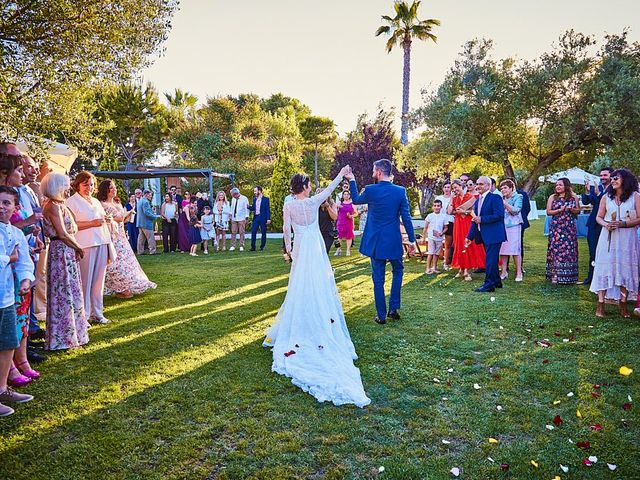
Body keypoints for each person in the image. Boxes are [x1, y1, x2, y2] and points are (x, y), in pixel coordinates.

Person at [263, 166, 370, 408]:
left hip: (301, 244)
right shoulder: (312, 202)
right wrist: (342, 173)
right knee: (317, 281)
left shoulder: (289, 205)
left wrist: (289, 251)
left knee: (299, 282)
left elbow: (286, 230)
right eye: (309, 184)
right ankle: (317, 315)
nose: (311, 187)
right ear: (305, 186)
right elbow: (332, 188)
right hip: (315, 244)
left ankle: (302, 316)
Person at [348, 159, 416, 324]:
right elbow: (406, 218)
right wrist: (412, 240)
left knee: (378, 279)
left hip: (376, 242)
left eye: (373, 170)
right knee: (398, 271)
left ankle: (381, 315)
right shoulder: (400, 191)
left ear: (378, 172)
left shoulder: (371, 190)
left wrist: (351, 179)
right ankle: (393, 308)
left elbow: (355, 200)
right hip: (393, 240)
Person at [40, 173, 89, 350]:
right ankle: (62, 337)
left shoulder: (60, 204)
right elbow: (62, 233)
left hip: (66, 250)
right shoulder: (52, 205)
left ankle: (73, 334)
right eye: (65, 185)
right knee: (63, 292)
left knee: (72, 290)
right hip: (60, 251)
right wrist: (78, 247)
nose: (68, 187)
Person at [0, 185, 34, 416]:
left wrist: (24, 280)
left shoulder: (17, 233)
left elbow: (24, 263)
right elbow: (11, 258)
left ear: (15, 208)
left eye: (6, 203)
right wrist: (7, 257)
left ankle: (2, 388)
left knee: (9, 342)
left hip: (6, 297)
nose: (1, 207)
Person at [589, 169, 640, 318]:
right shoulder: (606, 197)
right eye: (611, 179)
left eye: (616, 178)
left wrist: (623, 224)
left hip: (627, 238)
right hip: (608, 238)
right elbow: (598, 217)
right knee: (604, 267)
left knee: (625, 268)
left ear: (625, 179)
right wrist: (605, 224)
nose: (613, 181)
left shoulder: (635, 196)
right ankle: (601, 304)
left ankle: (623, 304)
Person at [66, 171, 112, 324]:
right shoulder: (71, 202)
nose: (89, 187)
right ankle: (83, 316)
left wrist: (106, 220)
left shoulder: (96, 202)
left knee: (99, 281)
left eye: (91, 184)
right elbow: (71, 226)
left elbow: (100, 220)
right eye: (85, 184)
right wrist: (93, 223)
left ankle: (97, 313)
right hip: (84, 244)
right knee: (85, 281)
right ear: (77, 185)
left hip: (102, 241)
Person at [98, 180, 156, 298]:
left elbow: (123, 220)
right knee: (116, 263)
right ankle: (119, 288)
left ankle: (126, 285)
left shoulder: (117, 203)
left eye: (114, 188)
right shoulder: (102, 205)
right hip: (111, 236)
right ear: (105, 190)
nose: (114, 190)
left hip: (121, 236)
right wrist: (129, 212)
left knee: (127, 262)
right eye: (111, 188)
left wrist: (129, 215)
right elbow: (118, 218)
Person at [465, 176, 507, 292]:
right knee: (491, 259)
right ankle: (497, 282)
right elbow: (475, 219)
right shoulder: (478, 200)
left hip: (494, 235)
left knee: (490, 260)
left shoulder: (495, 198)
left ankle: (489, 285)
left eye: (481, 184)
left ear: (488, 186)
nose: (478, 186)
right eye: (477, 183)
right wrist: (469, 236)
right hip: (483, 235)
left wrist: (482, 219)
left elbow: (499, 215)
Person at [581, 167, 613, 284]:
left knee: (607, 252)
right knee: (593, 251)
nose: (602, 177)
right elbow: (586, 202)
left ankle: (606, 278)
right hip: (594, 224)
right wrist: (587, 192)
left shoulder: (614, 189)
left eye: (605, 175)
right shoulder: (596, 187)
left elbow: (604, 203)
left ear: (611, 176)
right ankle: (591, 277)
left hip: (608, 223)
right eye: (601, 175)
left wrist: (599, 194)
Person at [545, 178, 580, 285]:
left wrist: (571, 209)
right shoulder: (553, 197)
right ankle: (555, 274)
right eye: (556, 185)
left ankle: (569, 275)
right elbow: (548, 212)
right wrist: (559, 210)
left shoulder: (573, 197)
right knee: (556, 250)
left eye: (560, 185)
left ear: (566, 186)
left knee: (569, 251)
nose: (558, 187)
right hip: (557, 227)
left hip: (569, 227)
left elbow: (578, 210)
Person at [449, 180, 485, 281]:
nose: (455, 190)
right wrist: (451, 199)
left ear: (461, 186)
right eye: (453, 188)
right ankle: (461, 268)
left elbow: (474, 211)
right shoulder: (454, 198)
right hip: (458, 224)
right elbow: (449, 211)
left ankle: (467, 271)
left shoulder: (469, 196)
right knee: (459, 245)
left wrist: (464, 211)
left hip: (468, 222)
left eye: (456, 187)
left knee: (468, 244)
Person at [498, 179, 524, 282]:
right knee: (503, 250)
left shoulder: (518, 197)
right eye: (502, 188)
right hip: (502, 226)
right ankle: (504, 272)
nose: (503, 190)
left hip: (514, 226)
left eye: (505, 188)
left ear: (511, 188)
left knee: (515, 250)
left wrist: (504, 204)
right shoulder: (501, 198)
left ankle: (519, 272)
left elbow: (516, 211)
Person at [422, 199, 448, 274]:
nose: (436, 207)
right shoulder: (430, 216)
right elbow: (425, 227)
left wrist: (442, 233)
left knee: (436, 253)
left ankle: (434, 267)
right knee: (430, 252)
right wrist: (423, 237)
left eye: (438, 206)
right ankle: (428, 268)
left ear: (441, 207)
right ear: (433, 207)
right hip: (431, 237)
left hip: (439, 238)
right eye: (435, 206)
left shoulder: (444, 216)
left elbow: (446, 227)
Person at [435, 181, 454, 269]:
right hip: (439, 221)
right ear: (443, 188)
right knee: (437, 242)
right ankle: (435, 261)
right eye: (445, 187)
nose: (447, 189)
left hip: (450, 222)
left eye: (448, 187)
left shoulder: (453, 197)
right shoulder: (439, 198)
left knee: (448, 244)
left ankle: (446, 262)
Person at [136, 190, 160, 255]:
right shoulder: (145, 202)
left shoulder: (140, 201)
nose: (151, 196)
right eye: (150, 195)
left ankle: (140, 251)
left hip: (140, 223)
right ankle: (153, 251)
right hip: (146, 223)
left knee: (141, 239)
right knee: (150, 238)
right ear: (146, 195)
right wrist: (155, 217)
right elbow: (146, 212)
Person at [249, 186, 271, 251]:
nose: (254, 192)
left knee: (263, 232)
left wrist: (268, 218)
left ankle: (262, 247)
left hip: (263, 218)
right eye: (254, 191)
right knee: (253, 232)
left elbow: (267, 209)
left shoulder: (266, 199)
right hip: (256, 217)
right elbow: (253, 208)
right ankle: (253, 247)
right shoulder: (254, 199)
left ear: (260, 191)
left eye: (255, 191)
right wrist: (248, 207)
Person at [336, 190, 357, 256]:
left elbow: (356, 213)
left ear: (349, 195)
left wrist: (351, 216)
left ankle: (348, 250)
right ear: (342, 195)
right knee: (339, 237)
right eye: (344, 194)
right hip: (340, 222)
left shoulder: (352, 204)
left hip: (348, 222)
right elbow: (335, 212)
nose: (346, 195)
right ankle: (338, 249)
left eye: (347, 194)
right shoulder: (339, 204)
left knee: (349, 236)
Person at [317, 189, 339, 253]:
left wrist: (328, 207)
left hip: (328, 233)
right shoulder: (315, 205)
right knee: (318, 252)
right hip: (317, 232)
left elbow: (334, 217)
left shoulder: (332, 204)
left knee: (324, 251)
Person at [229, 187, 250, 252]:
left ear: (236, 194)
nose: (232, 196)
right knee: (233, 232)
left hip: (241, 218)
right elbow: (232, 208)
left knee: (241, 232)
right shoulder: (233, 199)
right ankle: (233, 246)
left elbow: (247, 208)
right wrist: (230, 215)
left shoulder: (244, 198)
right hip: (234, 218)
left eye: (233, 195)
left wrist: (246, 217)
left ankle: (241, 246)